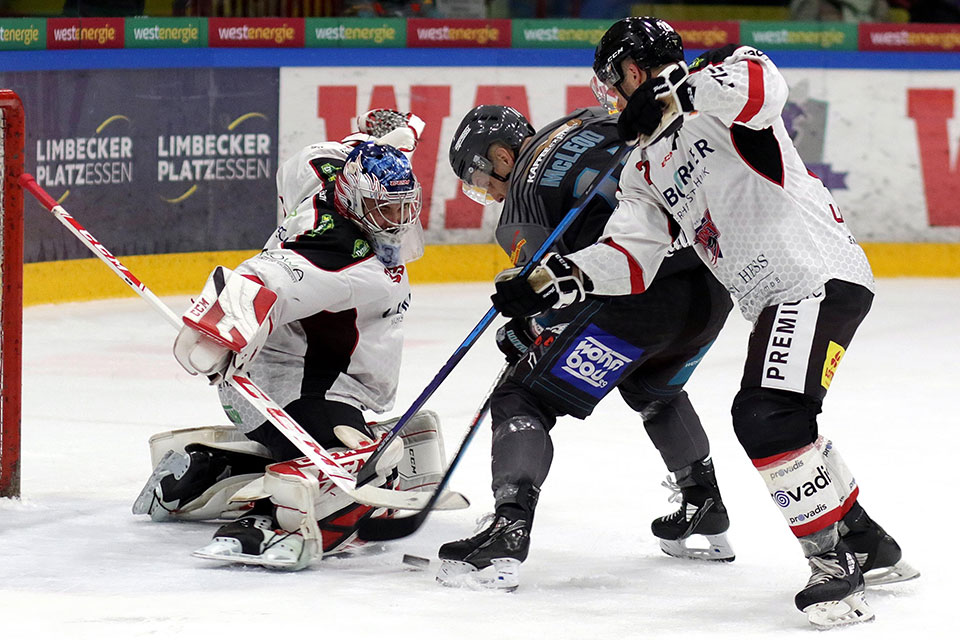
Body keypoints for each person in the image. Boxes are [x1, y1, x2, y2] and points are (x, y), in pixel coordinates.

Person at [488, 18, 918, 626]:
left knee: (768, 415)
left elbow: (764, 85)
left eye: (613, 85)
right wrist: (553, 279)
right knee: (777, 412)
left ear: (634, 73)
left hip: (815, 275)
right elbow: (631, 258)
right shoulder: (641, 167)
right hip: (777, 296)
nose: (609, 99)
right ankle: (867, 542)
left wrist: (674, 93)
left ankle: (835, 563)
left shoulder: (717, 92)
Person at [436, 103, 736, 590]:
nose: (488, 193)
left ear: (500, 155)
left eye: (480, 177)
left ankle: (508, 530)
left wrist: (529, 332)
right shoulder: (592, 118)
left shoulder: (521, 205)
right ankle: (703, 504)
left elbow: (554, 296)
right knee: (651, 386)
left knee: (523, 396)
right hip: (710, 285)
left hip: (638, 305)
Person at [133, 110, 448, 570]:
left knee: (337, 443)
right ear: (355, 204)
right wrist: (220, 330)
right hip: (288, 394)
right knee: (366, 465)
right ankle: (270, 518)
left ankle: (210, 469)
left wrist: (381, 137)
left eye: (405, 207)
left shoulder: (325, 171)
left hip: (274, 382)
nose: (398, 220)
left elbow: (327, 157)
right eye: (386, 210)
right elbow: (269, 277)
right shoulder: (338, 257)